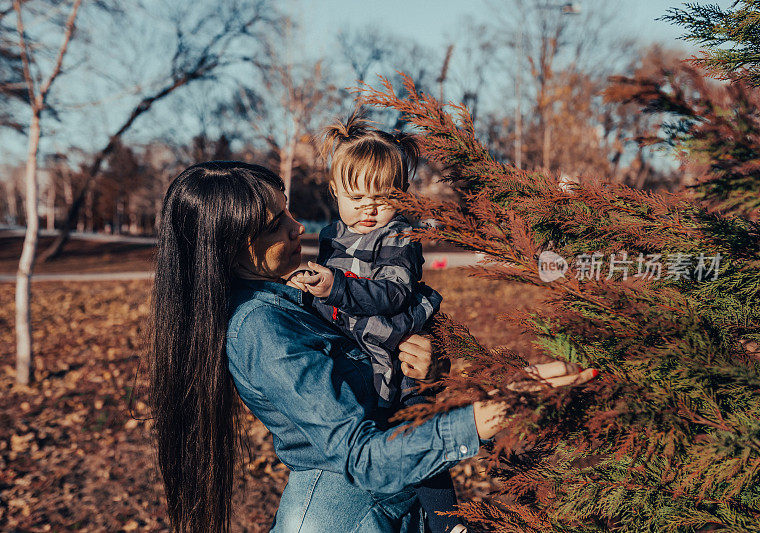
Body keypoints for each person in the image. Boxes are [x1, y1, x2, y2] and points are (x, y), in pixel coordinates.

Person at [148, 160, 596, 533]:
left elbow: (367, 361)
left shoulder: (288, 293)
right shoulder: (262, 330)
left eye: (287, 212)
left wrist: (429, 369)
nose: (297, 226)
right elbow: (360, 457)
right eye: (275, 225)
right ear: (230, 249)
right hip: (346, 513)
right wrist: (480, 419)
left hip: (389, 495)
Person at [288, 113, 462, 533]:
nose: (368, 207)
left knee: (416, 437)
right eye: (356, 196)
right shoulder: (332, 235)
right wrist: (308, 289)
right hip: (360, 354)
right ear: (335, 192)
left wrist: (334, 287)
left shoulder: (399, 238)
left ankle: (449, 524)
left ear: (402, 197)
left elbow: (393, 293)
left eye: (383, 197)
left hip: (396, 358)